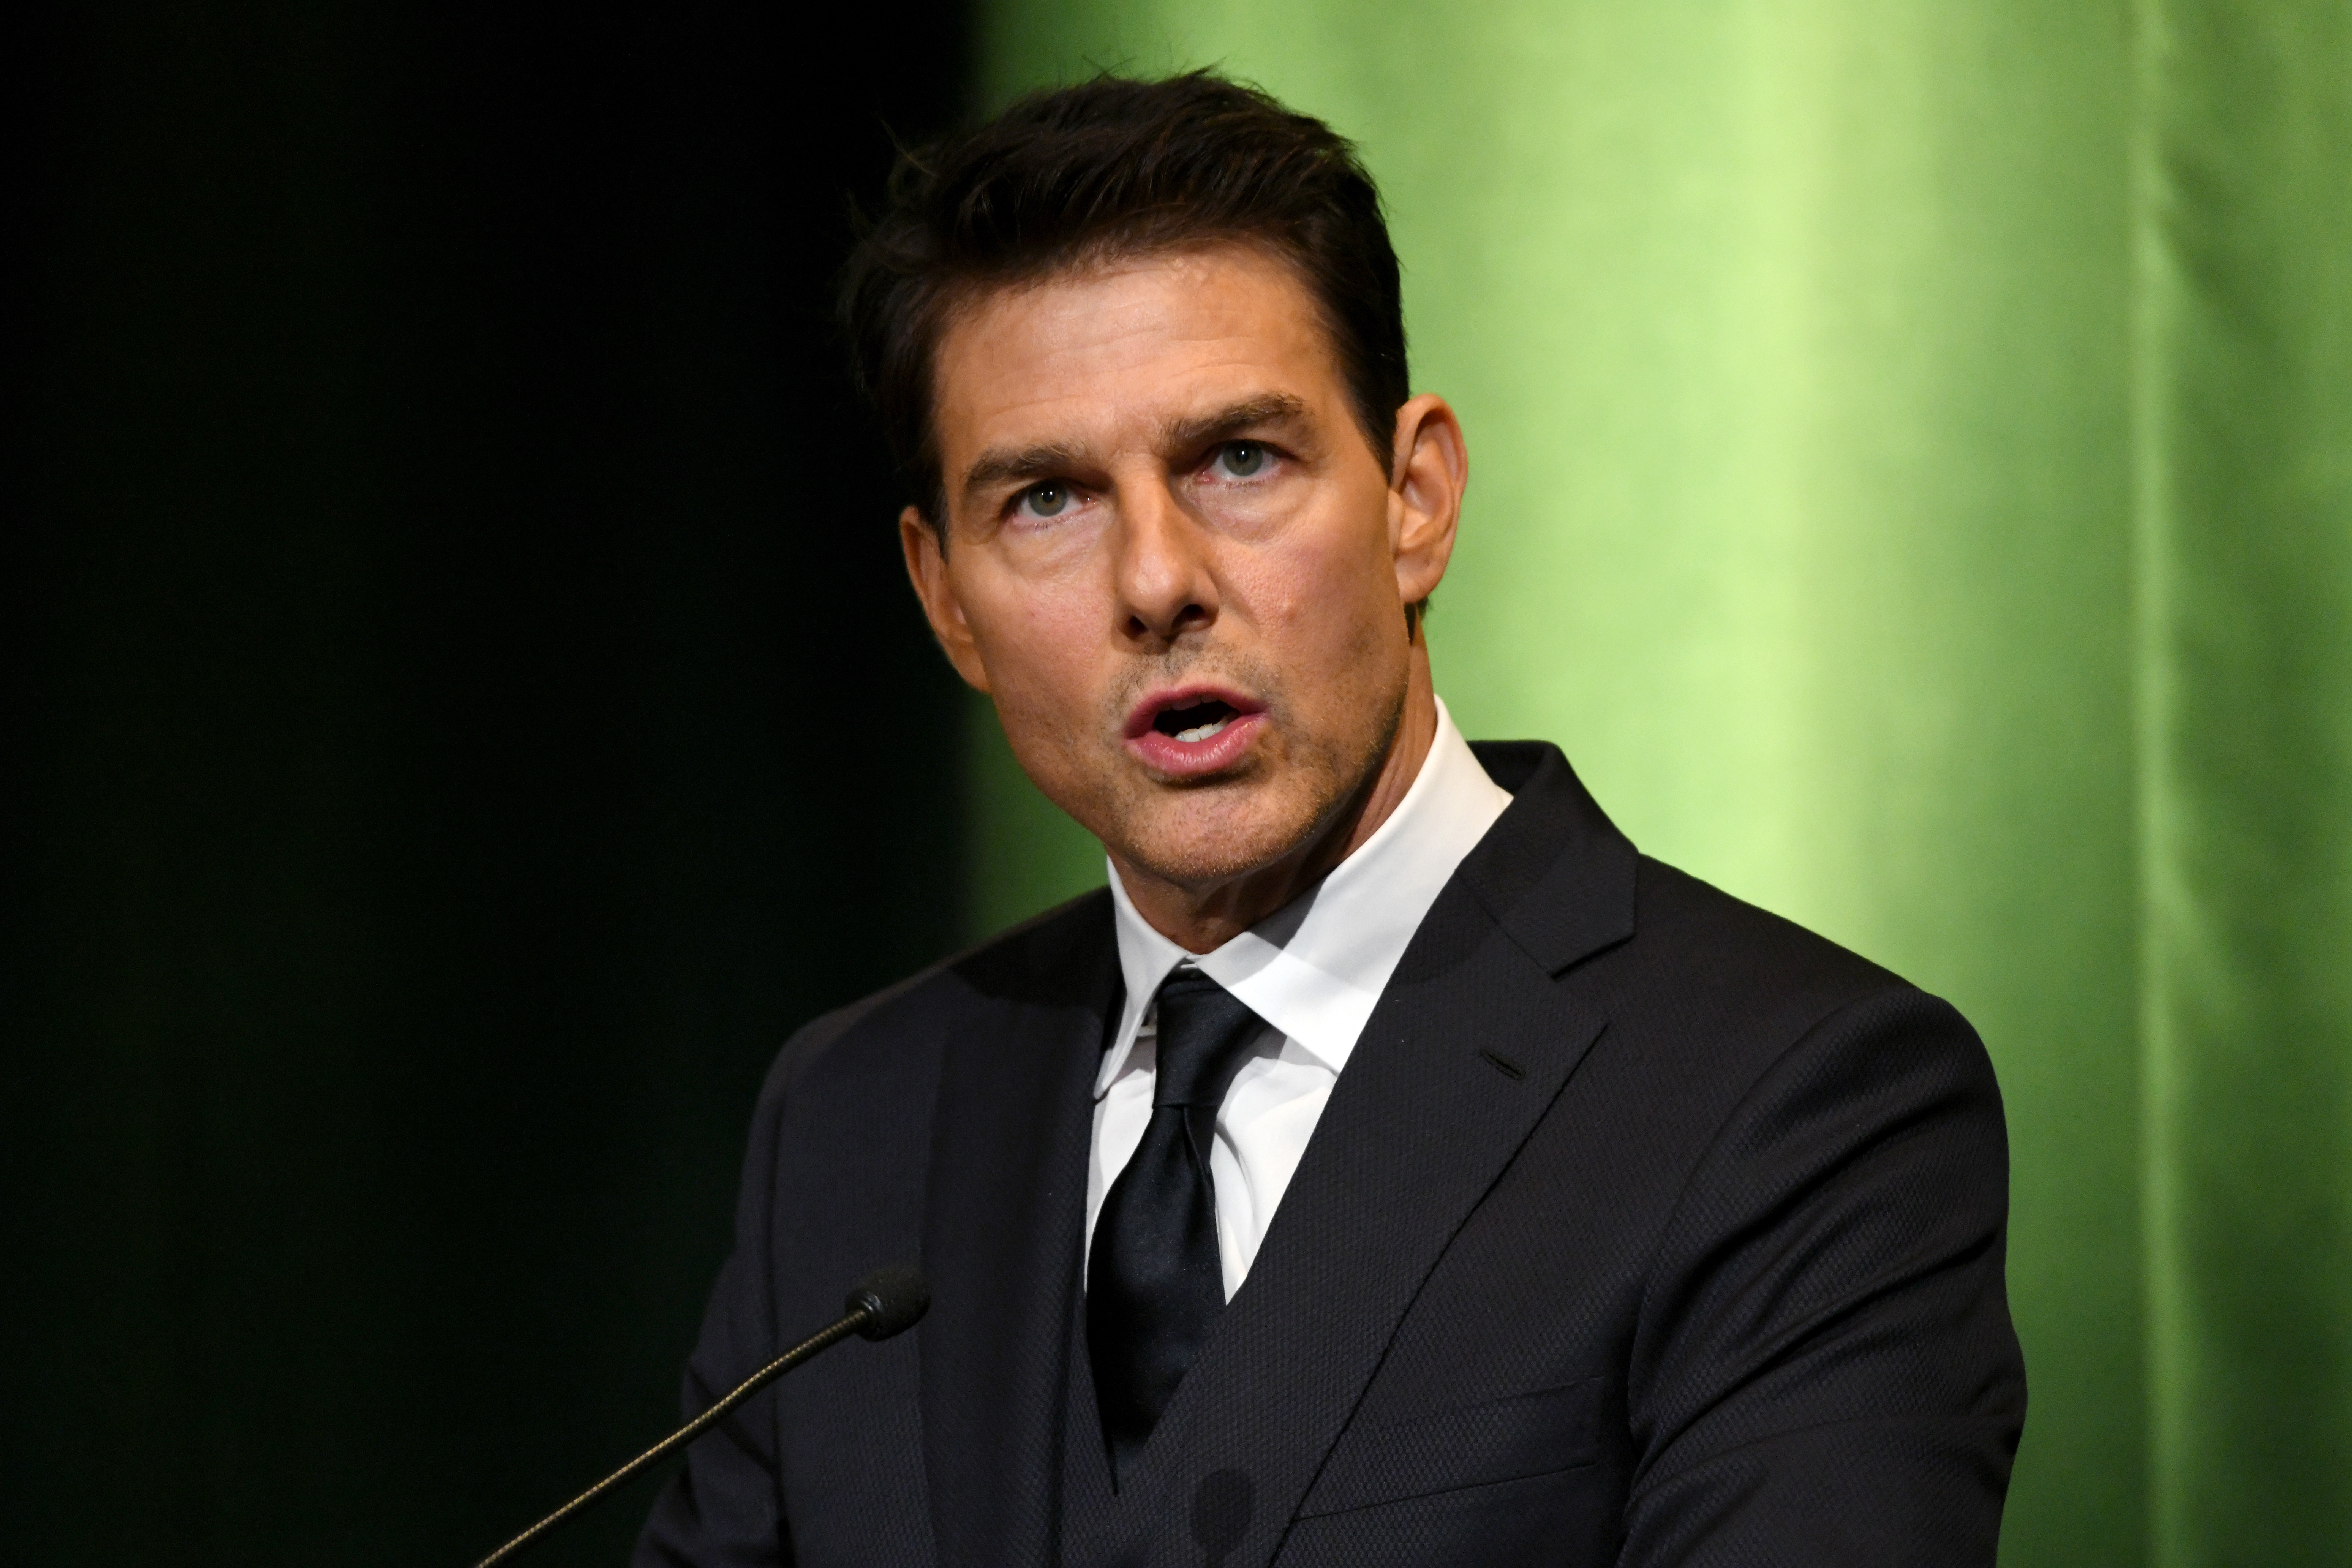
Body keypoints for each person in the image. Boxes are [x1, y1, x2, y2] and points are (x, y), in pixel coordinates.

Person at [636, 71, 2025, 1568]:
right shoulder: (859, 1118)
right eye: (1047, 499)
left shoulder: (1796, 1104)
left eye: (1240, 458)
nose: (1156, 581)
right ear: (944, 598)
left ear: (1415, 498)